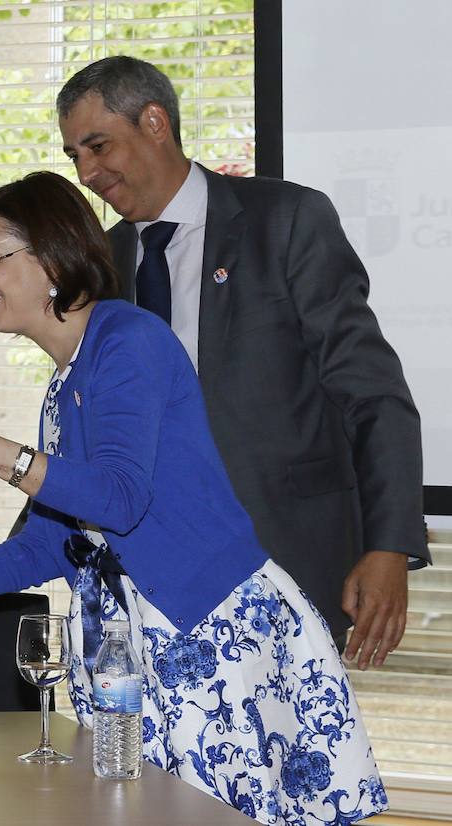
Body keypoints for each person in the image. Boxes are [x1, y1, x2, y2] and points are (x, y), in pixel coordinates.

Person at [0, 172, 388, 825]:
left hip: (217, 640)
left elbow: (120, 500)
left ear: (52, 260)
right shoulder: (65, 380)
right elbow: (49, 546)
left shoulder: (127, 340)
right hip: (137, 653)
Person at [56, 56, 426, 670]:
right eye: (75, 156)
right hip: (143, 580)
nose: (88, 172)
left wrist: (388, 547)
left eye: (98, 146)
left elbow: (373, 394)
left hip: (280, 565)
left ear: (154, 122)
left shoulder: (286, 221)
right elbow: (83, 425)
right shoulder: (101, 265)